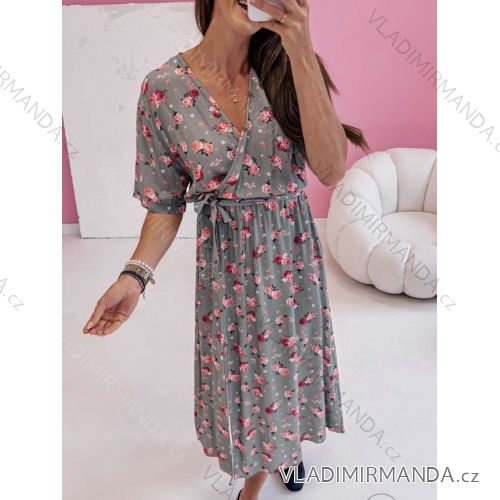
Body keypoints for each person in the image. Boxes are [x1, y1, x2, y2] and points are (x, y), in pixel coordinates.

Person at [83, 1, 368, 498]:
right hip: (228, 267)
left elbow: (330, 168)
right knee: (245, 374)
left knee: (290, 360)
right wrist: (134, 276)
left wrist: (301, 48)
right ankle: (260, 465)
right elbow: (165, 204)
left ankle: (284, 451)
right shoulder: (163, 89)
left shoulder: (289, 66)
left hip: (292, 255)